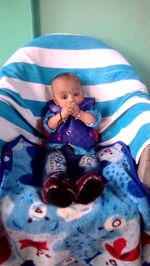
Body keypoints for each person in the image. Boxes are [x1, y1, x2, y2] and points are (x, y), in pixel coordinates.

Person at [41, 73, 104, 207]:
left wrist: (79, 114)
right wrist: (60, 115)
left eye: (76, 94)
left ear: (82, 93)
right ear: (56, 100)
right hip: (58, 148)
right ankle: (57, 184)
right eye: (64, 97)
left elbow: (94, 122)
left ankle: (86, 183)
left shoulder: (88, 108)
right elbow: (48, 126)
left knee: (90, 162)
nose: (71, 100)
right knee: (53, 161)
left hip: (84, 151)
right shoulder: (53, 110)